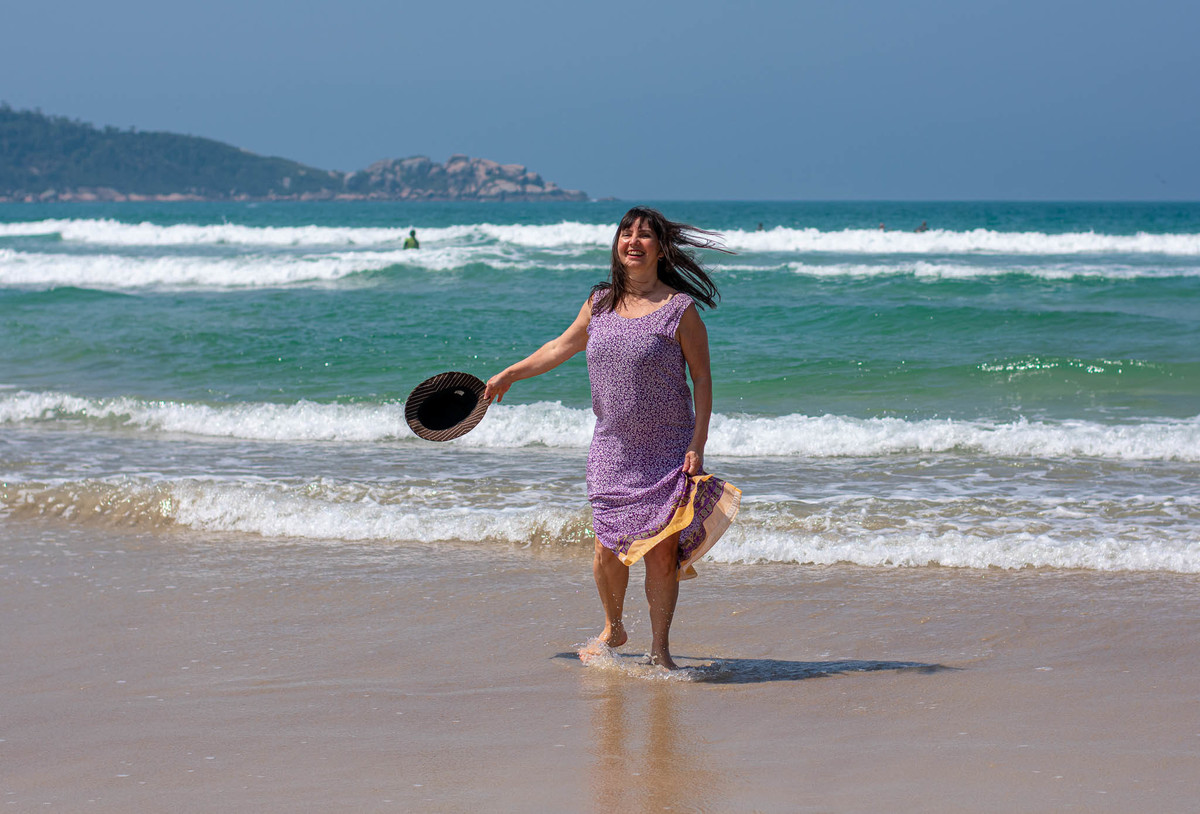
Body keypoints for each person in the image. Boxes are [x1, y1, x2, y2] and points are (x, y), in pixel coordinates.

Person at [485, 207, 741, 670]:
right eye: (626, 234)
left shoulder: (679, 309)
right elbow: (560, 346)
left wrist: (697, 444)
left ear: (661, 249)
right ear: (617, 244)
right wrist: (511, 374)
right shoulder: (599, 302)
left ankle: (660, 648)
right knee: (607, 548)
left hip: (666, 450)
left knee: (661, 554)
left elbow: (702, 380)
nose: (634, 242)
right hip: (612, 447)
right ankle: (614, 627)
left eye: (645, 236)